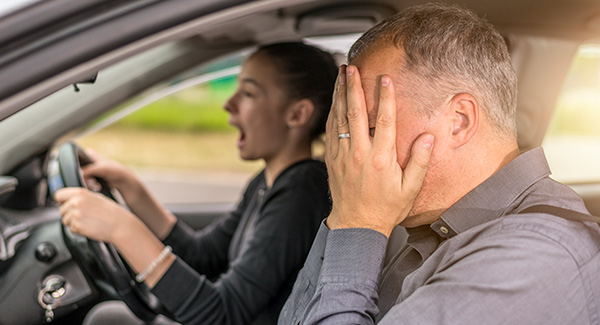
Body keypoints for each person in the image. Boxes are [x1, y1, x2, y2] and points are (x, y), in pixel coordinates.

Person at [279, 3, 600, 324]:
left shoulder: (534, 258)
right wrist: (343, 220)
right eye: (348, 134)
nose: (349, 157)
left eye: (371, 129)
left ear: (459, 121)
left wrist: (356, 225)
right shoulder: (434, 230)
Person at [55, 42, 337, 324]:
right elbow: (202, 255)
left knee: (106, 319)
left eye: (249, 93)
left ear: (298, 114)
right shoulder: (267, 183)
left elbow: (222, 313)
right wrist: (131, 188)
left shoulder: (301, 193)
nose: (229, 103)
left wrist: (121, 229)